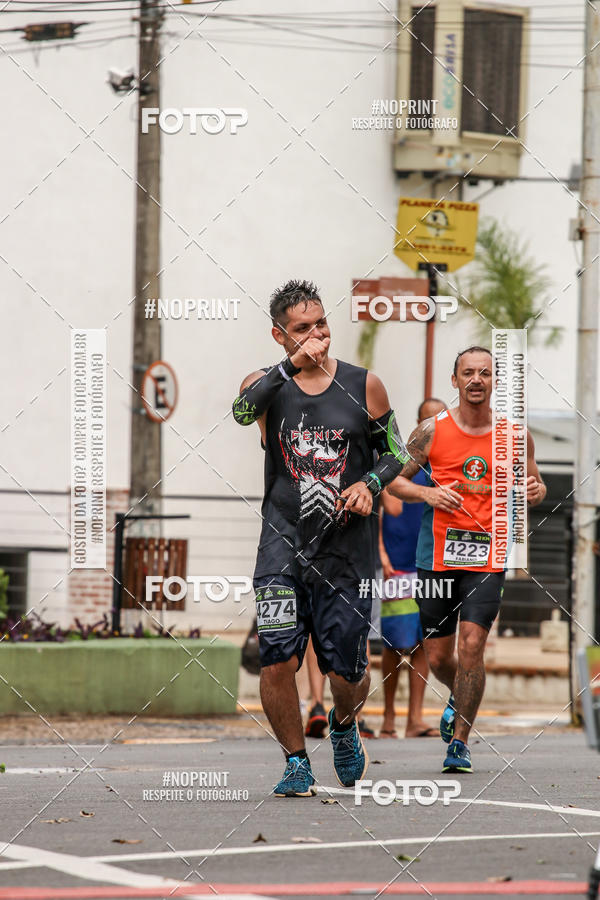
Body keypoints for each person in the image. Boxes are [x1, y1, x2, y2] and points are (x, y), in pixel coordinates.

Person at [233, 279, 409, 797]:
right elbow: (242, 412)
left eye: (322, 324)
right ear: (279, 335)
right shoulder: (266, 384)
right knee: (276, 657)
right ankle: (294, 761)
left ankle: (344, 723)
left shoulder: (365, 385)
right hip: (281, 544)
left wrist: (370, 483)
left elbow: (397, 450)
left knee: (347, 670)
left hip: (346, 551)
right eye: (302, 329)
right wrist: (290, 365)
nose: (317, 336)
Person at [388, 347, 546, 773]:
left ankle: (460, 741)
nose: (477, 380)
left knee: (472, 645)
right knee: (439, 657)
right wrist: (427, 492)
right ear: (454, 381)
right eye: (468, 373)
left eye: (486, 373)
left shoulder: (515, 435)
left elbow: (536, 483)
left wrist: (536, 491)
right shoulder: (430, 432)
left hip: (488, 555)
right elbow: (394, 483)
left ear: (495, 382)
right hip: (436, 556)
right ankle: (459, 694)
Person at [378, 397, 447, 739]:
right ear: (418, 426)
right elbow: (388, 504)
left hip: (431, 562)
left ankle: (415, 718)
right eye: (428, 422)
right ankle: (389, 718)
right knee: (393, 643)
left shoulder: (449, 462)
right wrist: (383, 557)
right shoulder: (405, 461)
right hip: (399, 561)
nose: (435, 428)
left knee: (423, 642)